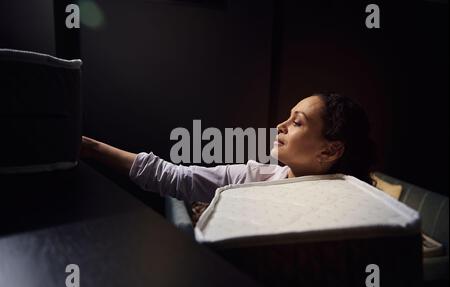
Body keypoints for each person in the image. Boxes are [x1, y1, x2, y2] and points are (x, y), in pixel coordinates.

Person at [81, 93, 376, 205]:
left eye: (297, 122)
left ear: (330, 150)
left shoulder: (355, 206)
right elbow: (177, 178)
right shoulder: (253, 176)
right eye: (288, 117)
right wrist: (92, 149)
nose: (281, 125)